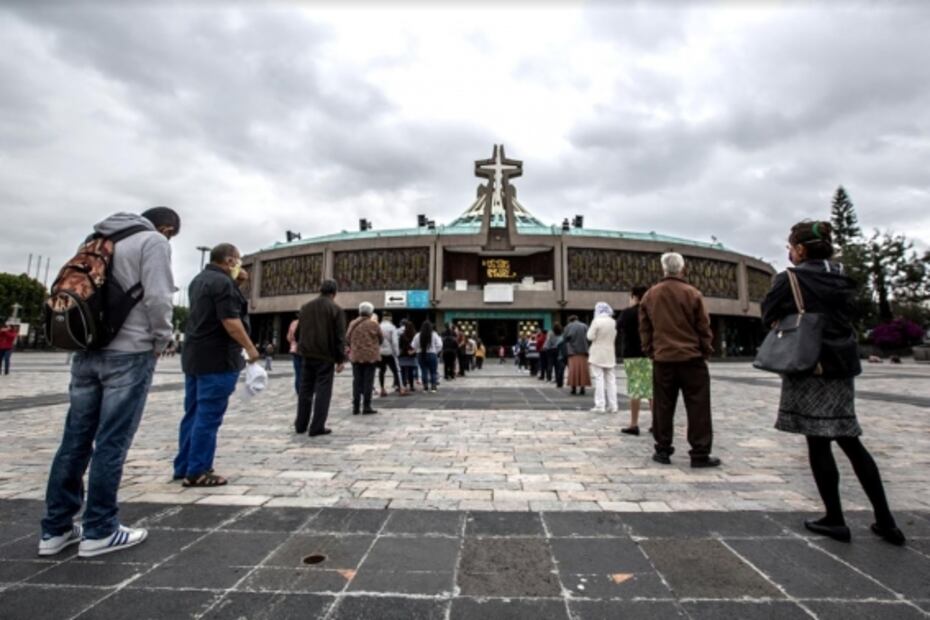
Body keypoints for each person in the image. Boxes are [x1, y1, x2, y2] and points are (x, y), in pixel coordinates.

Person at [40, 207, 179, 558]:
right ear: (164, 227)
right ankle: (100, 529)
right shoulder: (153, 242)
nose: (170, 240)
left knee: (74, 441)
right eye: (171, 234)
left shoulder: (95, 240)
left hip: (86, 351)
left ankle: (55, 529)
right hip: (129, 353)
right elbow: (159, 298)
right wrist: (162, 340)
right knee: (111, 443)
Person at [761, 220, 905, 546]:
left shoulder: (790, 279)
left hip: (808, 365)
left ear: (799, 249)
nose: (789, 252)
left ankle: (835, 518)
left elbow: (767, 314)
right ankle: (885, 518)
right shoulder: (841, 278)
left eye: (790, 246)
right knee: (849, 439)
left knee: (818, 442)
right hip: (841, 367)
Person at [174, 243, 260, 488]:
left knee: (192, 412)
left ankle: (184, 465)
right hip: (217, 357)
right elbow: (230, 320)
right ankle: (198, 470)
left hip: (195, 356)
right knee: (208, 415)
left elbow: (216, 307)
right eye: (239, 261)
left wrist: (237, 284)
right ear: (231, 261)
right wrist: (251, 348)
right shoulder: (223, 283)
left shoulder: (199, 280)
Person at [639, 252, 720, 468]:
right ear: (682, 269)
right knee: (698, 407)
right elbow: (703, 326)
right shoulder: (692, 293)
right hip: (691, 358)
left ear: (663, 270)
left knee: (663, 406)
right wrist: (705, 350)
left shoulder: (650, 295)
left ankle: (663, 449)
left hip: (663, 358)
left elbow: (645, 328)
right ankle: (700, 453)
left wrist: (651, 351)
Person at [295, 279, 346, 436]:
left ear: (320, 290)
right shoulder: (336, 309)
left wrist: (303, 346)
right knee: (323, 391)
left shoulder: (306, 307)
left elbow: (298, 333)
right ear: (334, 293)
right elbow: (339, 337)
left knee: (305, 390)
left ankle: (301, 424)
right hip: (325, 356)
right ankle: (317, 426)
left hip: (307, 355)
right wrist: (340, 359)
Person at [618, 286, 653, 436]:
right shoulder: (652, 313)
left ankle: (634, 424)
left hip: (632, 355)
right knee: (652, 391)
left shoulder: (627, 313)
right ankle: (656, 423)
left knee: (635, 389)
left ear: (634, 296)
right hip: (650, 355)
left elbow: (618, 327)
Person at [347, 302, 382, 415]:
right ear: (371, 312)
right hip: (370, 357)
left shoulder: (353, 323)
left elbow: (347, 338)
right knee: (368, 381)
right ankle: (366, 406)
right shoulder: (374, 324)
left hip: (356, 356)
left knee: (357, 381)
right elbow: (381, 338)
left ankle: (356, 407)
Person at [587, 302, 619, 413]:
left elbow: (590, 336)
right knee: (611, 380)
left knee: (599, 379)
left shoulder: (596, 321)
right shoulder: (613, 322)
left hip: (597, 353)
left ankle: (600, 405)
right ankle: (613, 405)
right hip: (610, 353)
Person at [563, 315, 590, 395]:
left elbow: (565, 338)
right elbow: (589, 337)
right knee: (583, 371)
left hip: (572, 352)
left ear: (570, 320)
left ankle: (573, 388)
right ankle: (582, 388)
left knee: (573, 371)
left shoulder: (568, 326)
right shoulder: (584, 326)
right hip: (583, 351)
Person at [412, 320, 442, 392]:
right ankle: (433, 387)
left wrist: (417, 350)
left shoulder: (418, 335)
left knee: (424, 371)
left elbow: (413, 345)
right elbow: (440, 345)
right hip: (432, 354)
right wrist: (436, 351)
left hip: (421, 354)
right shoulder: (434, 334)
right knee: (433, 371)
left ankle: (425, 387)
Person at [378, 312, 403, 396]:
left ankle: (382, 389)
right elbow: (395, 342)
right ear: (390, 318)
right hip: (390, 352)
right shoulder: (392, 327)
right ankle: (400, 387)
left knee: (382, 371)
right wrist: (397, 353)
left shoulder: (378, 326)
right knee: (396, 370)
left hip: (380, 352)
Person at [397, 320, 418, 393]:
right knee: (410, 371)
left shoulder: (402, 335)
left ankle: (404, 385)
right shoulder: (414, 335)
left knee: (403, 371)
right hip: (411, 355)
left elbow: (399, 345)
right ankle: (412, 386)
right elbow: (416, 345)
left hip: (403, 355)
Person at [286, 313, 300, 395]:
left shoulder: (293, 323)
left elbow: (289, 338)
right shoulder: (308, 322)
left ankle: (298, 390)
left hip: (295, 350)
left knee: (298, 372)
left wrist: (293, 342)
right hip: (305, 350)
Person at [551, 323, 566, 388]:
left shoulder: (552, 336)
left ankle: (558, 381)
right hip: (561, 353)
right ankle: (560, 382)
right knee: (561, 368)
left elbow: (549, 344)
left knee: (556, 367)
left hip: (554, 352)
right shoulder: (563, 336)